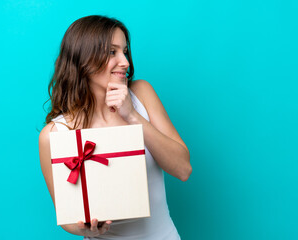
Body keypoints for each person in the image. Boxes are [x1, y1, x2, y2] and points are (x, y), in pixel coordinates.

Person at [39, 15, 192, 239]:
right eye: (112, 52)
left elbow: (183, 169)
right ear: (84, 59)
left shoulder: (141, 94)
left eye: (125, 51)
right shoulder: (54, 134)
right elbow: (66, 218)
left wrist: (132, 116)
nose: (125, 62)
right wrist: (83, 227)